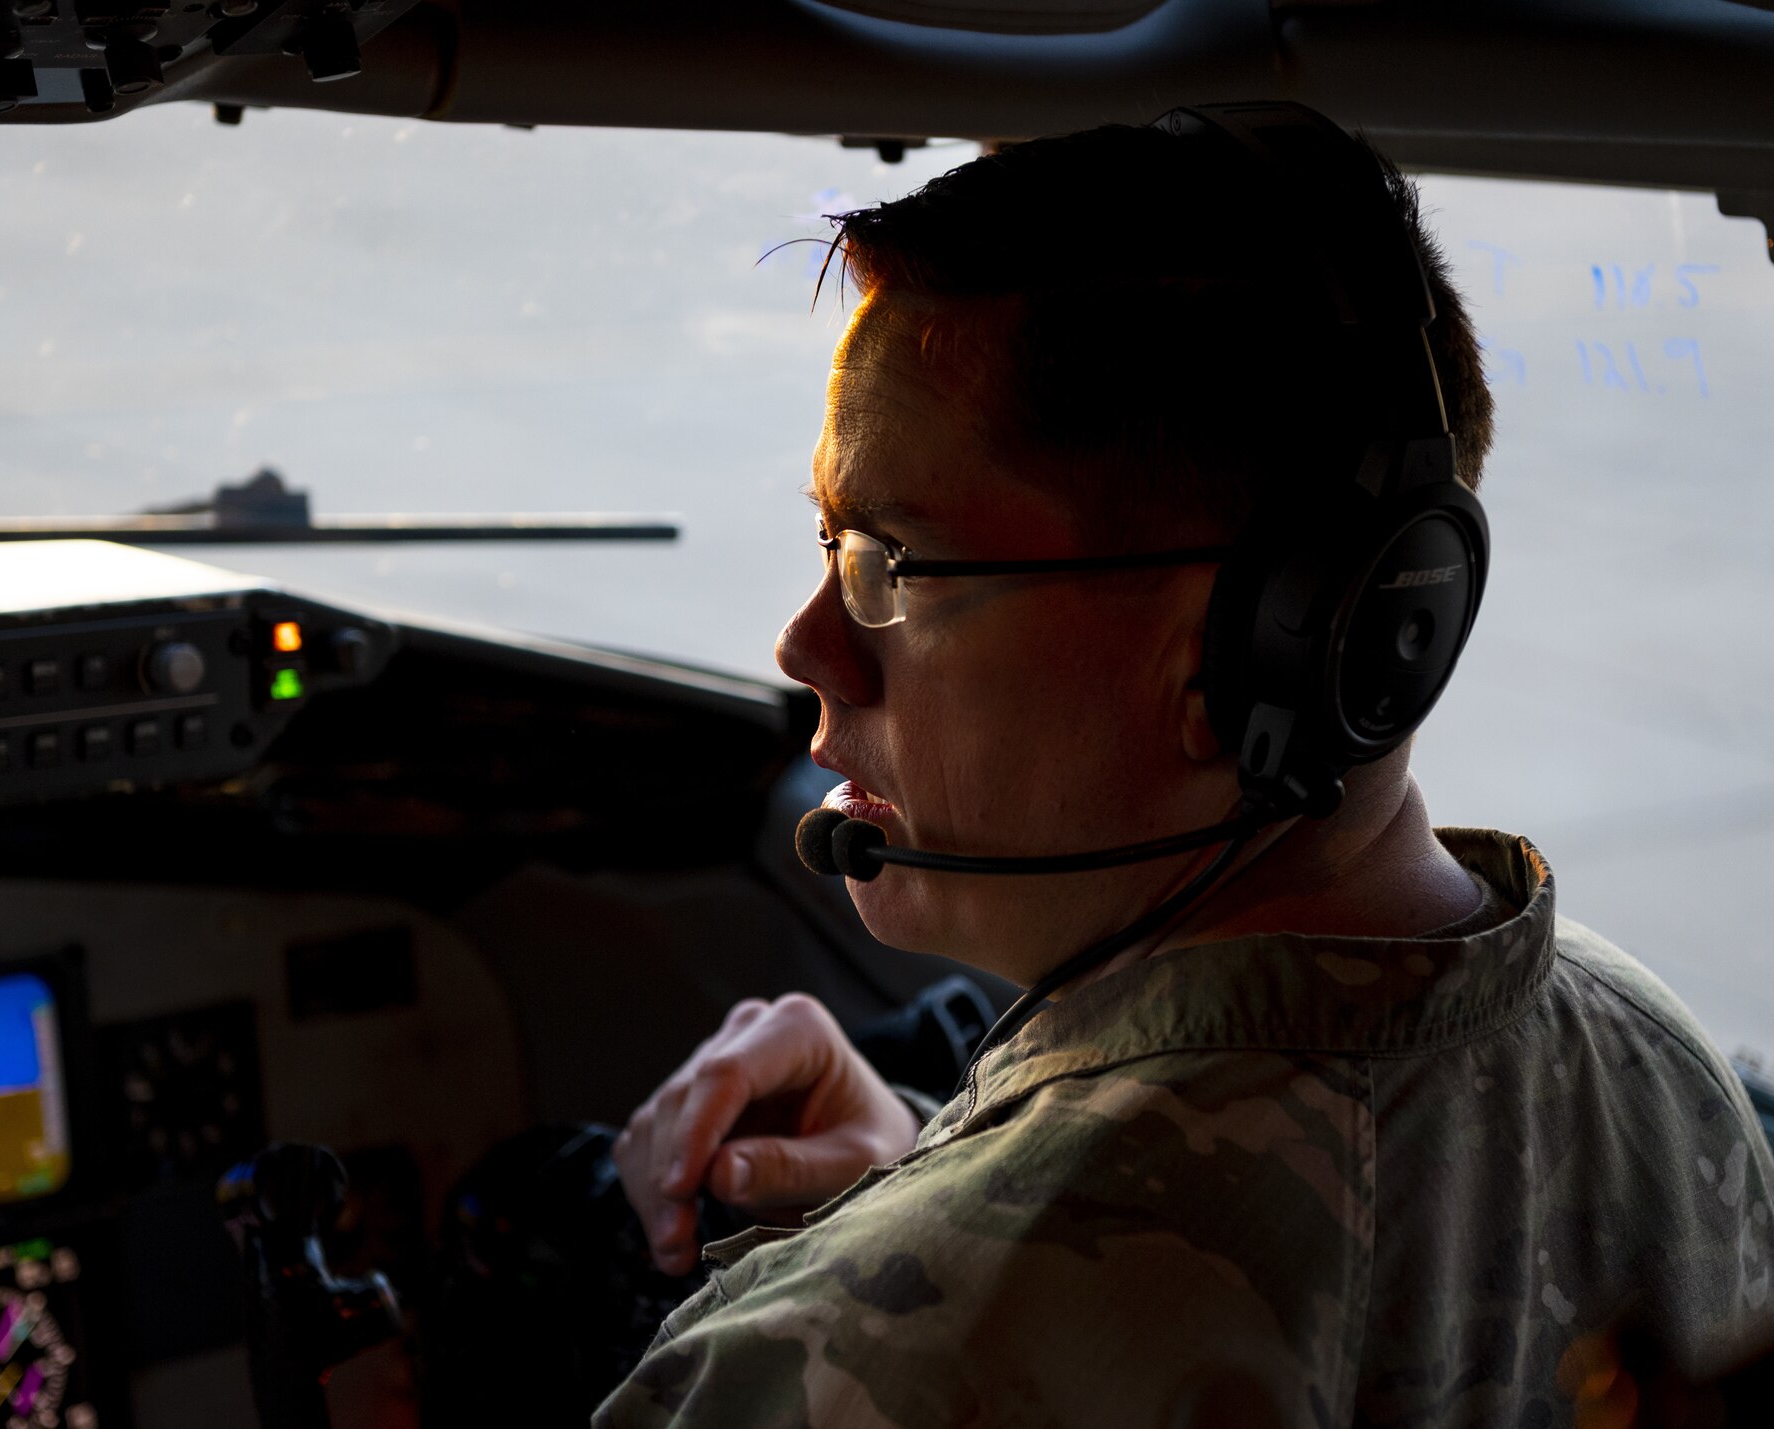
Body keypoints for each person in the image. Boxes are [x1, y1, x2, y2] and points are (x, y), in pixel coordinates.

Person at [594, 107, 1774, 1427]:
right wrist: (934, 1171)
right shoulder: (1667, 1078)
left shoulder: (878, 1365)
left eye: (886, 561)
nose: (808, 644)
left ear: (1254, 642)